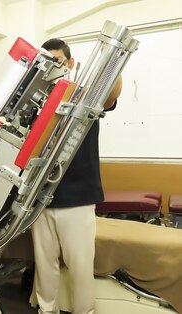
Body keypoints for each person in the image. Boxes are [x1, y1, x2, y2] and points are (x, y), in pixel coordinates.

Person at [30, 39, 122, 314]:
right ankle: (47, 309)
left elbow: (111, 95)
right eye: (47, 62)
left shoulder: (85, 97)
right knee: (44, 263)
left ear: (70, 64)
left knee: (80, 265)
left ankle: (84, 311)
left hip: (78, 196)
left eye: (57, 61)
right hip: (39, 197)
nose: (52, 67)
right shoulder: (36, 102)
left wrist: (112, 62)